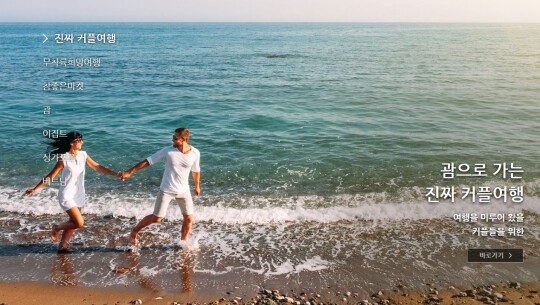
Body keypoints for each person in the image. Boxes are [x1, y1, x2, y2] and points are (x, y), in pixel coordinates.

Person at [25, 131, 120, 253]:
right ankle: (56, 228)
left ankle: (62, 246)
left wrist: (116, 174)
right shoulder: (63, 158)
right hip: (66, 195)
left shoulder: (83, 155)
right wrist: (35, 188)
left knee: (72, 222)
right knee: (79, 223)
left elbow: (97, 167)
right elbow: (51, 176)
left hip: (79, 194)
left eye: (82, 139)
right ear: (72, 143)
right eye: (79, 140)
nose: (82, 142)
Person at [120, 127, 200, 248]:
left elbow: (196, 170)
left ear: (184, 139)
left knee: (188, 218)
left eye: (175, 138)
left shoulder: (195, 153)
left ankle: (182, 242)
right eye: (173, 137)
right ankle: (135, 231)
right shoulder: (168, 151)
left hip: (184, 191)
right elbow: (148, 161)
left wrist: (197, 186)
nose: (172, 139)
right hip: (167, 190)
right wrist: (129, 172)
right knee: (157, 218)